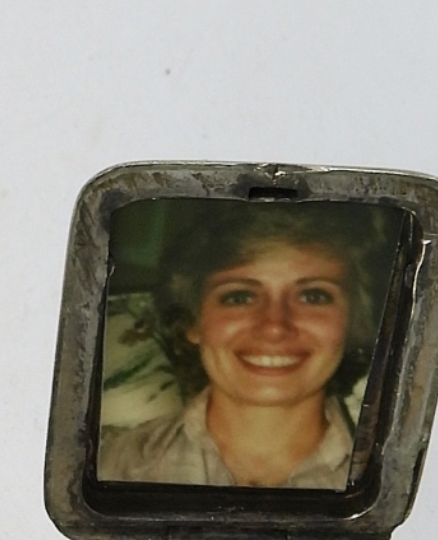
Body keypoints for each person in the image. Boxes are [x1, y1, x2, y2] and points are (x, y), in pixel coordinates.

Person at [97, 202, 396, 490]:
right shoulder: (111, 470)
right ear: (192, 321)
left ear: (355, 322)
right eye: (239, 297)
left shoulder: (391, 482)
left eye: (313, 296)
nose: (274, 326)